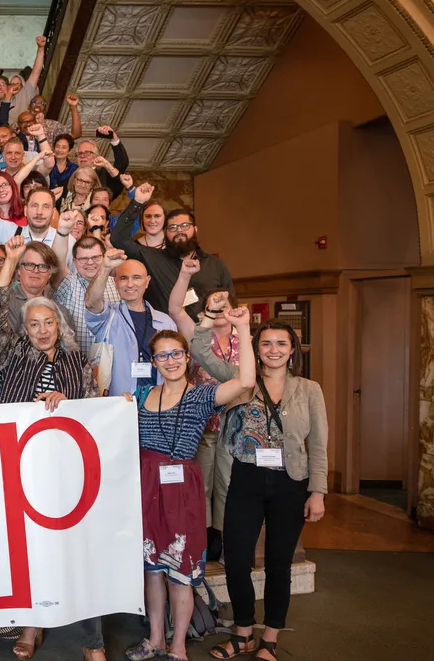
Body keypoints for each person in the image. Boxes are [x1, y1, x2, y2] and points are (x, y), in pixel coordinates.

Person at [0, 270, 101, 660]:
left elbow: (92, 408)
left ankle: (92, 640)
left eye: (48, 322)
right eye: (33, 324)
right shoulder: (13, 352)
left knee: (76, 548)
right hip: (22, 464)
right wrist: (12, 262)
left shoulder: (77, 358)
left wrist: (67, 399)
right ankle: (32, 627)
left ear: (59, 324)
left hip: (67, 466)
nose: (42, 329)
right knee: (29, 547)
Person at [196, 319, 327, 661]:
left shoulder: (309, 389)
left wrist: (318, 492)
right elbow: (199, 349)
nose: (273, 350)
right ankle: (242, 634)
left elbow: (319, 445)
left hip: (291, 483)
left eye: (281, 344)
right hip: (246, 479)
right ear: (257, 349)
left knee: (278, 564)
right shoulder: (242, 382)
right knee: (237, 560)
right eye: (266, 344)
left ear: (292, 350)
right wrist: (223, 322)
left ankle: (269, 637)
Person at [125, 316, 255, 661]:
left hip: (181, 486)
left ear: (187, 357)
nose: (170, 361)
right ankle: (155, 638)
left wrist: (243, 328)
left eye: (176, 354)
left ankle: (178, 646)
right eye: (162, 356)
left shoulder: (201, 396)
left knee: (180, 572)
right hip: (146, 484)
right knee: (151, 569)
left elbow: (245, 381)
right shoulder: (140, 395)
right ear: (153, 361)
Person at [168, 258, 241, 555]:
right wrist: (185, 274)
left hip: (236, 423)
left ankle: (224, 540)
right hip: (202, 421)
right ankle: (204, 540)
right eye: (214, 305)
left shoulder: (246, 337)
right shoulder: (198, 333)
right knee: (202, 484)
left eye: (225, 305)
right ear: (204, 310)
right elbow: (174, 308)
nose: (221, 310)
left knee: (229, 484)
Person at [111, 184, 234, 315]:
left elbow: (230, 303)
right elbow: (119, 238)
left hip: (205, 333)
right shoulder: (153, 258)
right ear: (166, 233)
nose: (179, 230)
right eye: (173, 228)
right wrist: (138, 202)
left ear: (195, 230)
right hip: (165, 332)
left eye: (185, 225)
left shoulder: (215, 264)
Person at [84, 247, 177, 397]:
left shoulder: (165, 322)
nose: (130, 284)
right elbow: (91, 302)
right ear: (115, 283)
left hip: (159, 403)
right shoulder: (108, 317)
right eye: (124, 278)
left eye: (137, 278)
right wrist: (106, 267)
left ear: (147, 282)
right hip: (119, 404)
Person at [54, 236, 120, 356]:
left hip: (111, 362)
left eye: (95, 257)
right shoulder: (66, 283)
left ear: (104, 257)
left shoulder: (117, 285)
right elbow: (57, 260)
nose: (90, 262)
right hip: (74, 363)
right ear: (74, 261)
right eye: (83, 259)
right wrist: (63, 230)